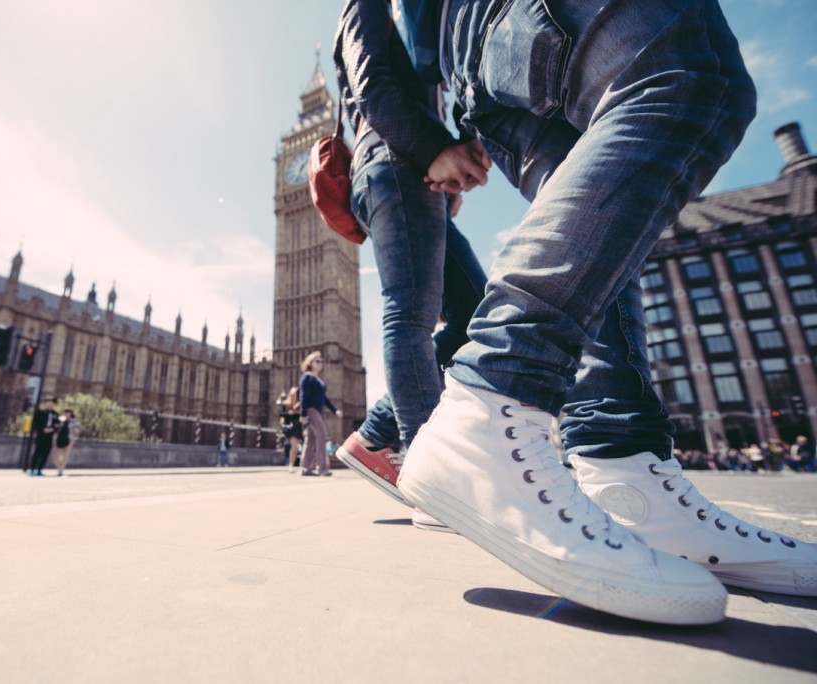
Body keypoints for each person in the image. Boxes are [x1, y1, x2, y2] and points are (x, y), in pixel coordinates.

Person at [391, 0, 816, 626]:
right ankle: (487, 406)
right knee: (692, 76)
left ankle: (627, 473)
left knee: (607, 209)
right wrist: (420, 139)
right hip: (498, 22)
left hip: (476, 58)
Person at [331, 0, 488, 528]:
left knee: (475, 313)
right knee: (411, 314)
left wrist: (449, 154)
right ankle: (431, 474)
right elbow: (373, 85)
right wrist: (431, 149)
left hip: (418, 174)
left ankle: (376, 435)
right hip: (393, 162)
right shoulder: (365, 6)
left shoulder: (420, 16)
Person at [298, 351, 342, 477]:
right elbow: (303, 395)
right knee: (322, 435)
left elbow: (325, 399)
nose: (320, 363)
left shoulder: (317, 379)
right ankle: (322, 468)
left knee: (310, 440)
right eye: (317, 361)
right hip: (311, 410)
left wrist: (335, 410)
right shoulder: (307, 376)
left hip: (317, 411)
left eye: (321, 361)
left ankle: (305, 468)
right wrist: (302, 414)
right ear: (310, 363)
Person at [29, 396, 59, 476]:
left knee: (45, 453)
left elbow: (57, 425)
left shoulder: (55, 414)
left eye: (52, 403)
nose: (50, 404)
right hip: (41, 435)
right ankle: (32, 468)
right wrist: (42, 429)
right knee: (37, 451)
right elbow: (35, 423)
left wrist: (53, 429)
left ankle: (40, 469)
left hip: (49, 436)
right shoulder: (40, 412)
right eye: (48, 402)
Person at [277, 387, 303, 473]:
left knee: (294, 446)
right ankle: (291, 465)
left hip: (296, 426)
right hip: (287, 426)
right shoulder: (285, 404)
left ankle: (291, 464)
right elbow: (281, 415)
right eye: (293, 394)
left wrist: (298, 413)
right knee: (294, 446)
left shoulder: (299, 404)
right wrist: (289, 413)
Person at [52, 409, 80, 476]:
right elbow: (55, 428)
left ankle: (60, 470)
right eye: (66, 413)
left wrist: (73, 436)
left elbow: (78, 430)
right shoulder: (61, 420)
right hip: (59, 440)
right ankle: (59, 467)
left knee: (65, 456)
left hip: (68, 440)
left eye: (69, 413)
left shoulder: (74, 421)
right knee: (56, 457)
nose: (67, 414)